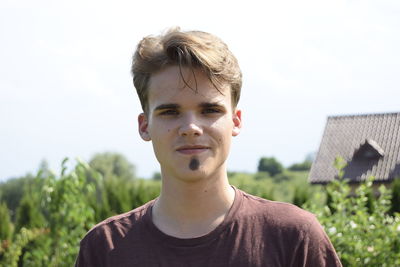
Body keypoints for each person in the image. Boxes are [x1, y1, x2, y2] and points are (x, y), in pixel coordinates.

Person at [75, 27, 342, 267]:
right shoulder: (105, 248)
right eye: (170, 112)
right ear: (145, 126)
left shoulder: (293, 237)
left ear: (236, 121)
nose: (191, 127)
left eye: (209, 110)